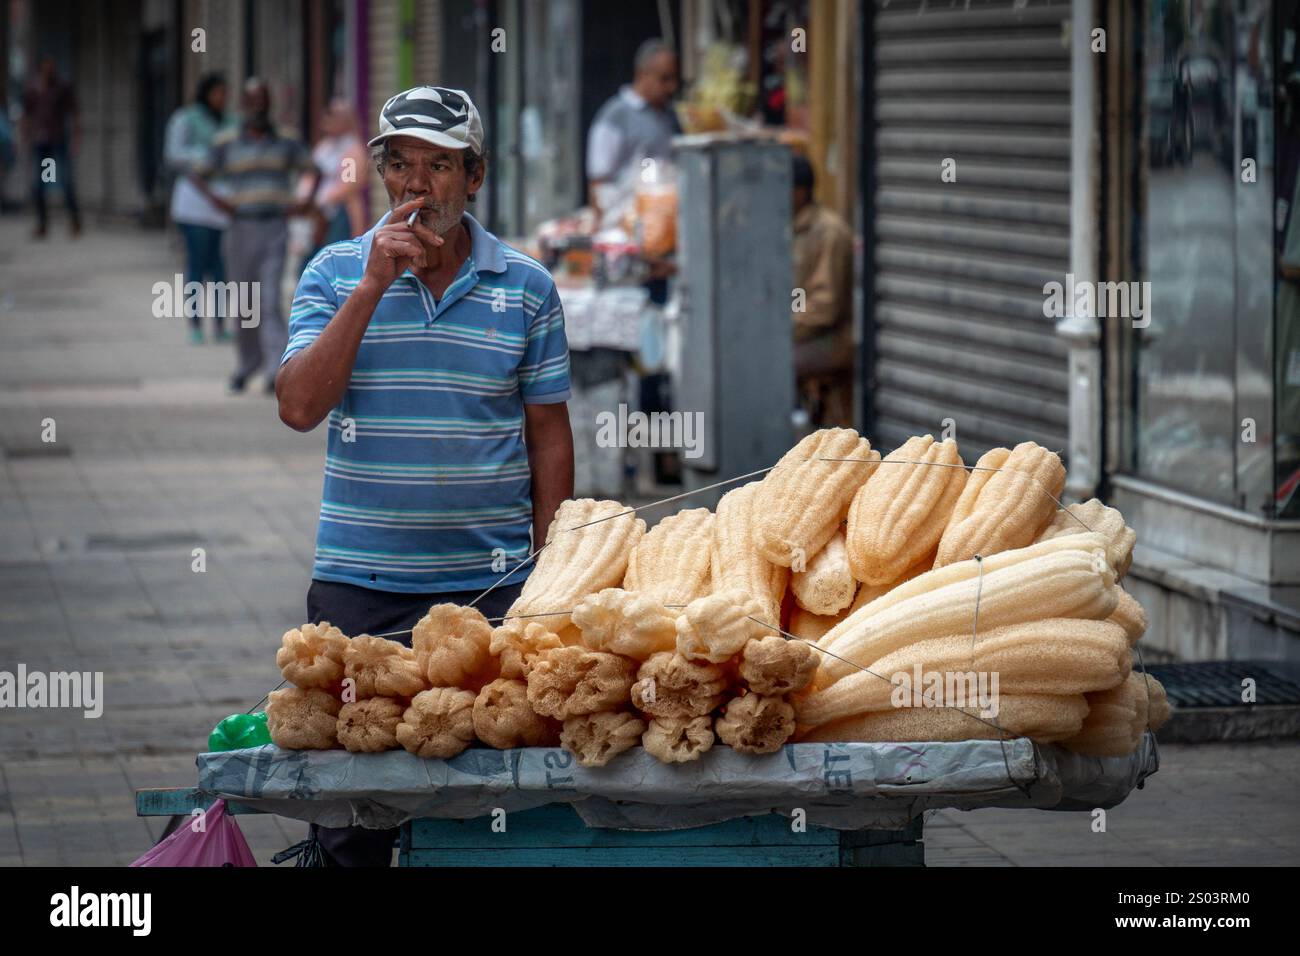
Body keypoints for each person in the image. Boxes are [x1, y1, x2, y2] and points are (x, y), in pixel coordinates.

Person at [275, 86, 574, 866]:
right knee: (353, 819)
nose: (415, 185)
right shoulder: (337, 273)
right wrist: (372, 286)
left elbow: (548, 436)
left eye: (437, 167)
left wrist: (555, 573)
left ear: (473, 177)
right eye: (399, 164)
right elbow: (299, 406)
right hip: (357, 592)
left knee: (487, 806)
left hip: (489, 592)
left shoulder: (527, 288)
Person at [189, 78, 319, 394]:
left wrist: (304, 201)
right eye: (252, 101)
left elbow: (313, 169)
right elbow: (196, 173)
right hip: (239, 229)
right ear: (243, 105)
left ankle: (276, 369)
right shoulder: (227, 142)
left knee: (270, 300)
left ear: (269, 104)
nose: (258, 106)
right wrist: (219, 202)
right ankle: (248, 365)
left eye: (263, 100)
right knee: (246, 304)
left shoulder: (286, 141)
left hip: (274, 227)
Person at [164, 73, 234, 344]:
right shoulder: (186, 118)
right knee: (197, 264)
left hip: (222, 200)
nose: (222, 98)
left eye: (224, 93)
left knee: (219, 268)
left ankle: (219, 324)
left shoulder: (230, 121)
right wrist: (204, 156)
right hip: (194, 200)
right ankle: (195, 324)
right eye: (217, 92)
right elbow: (173, 154)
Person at [791, 155, 854, 429]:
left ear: (800, 191)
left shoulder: (828, 231)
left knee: (769, 367)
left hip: (829, 340)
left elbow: (825, 306)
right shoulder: (786, 226)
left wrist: (780, 331)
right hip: (798, 335)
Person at [586, 38, 681, 209]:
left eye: (674, 79)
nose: (671, 87)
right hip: (628, 220)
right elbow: (598, 182)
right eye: (664, 79)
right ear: (643, 75)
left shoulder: (671, 116)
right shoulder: (615, 116)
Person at [298, 97, 368, 274]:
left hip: (339, 214)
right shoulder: (324, 147)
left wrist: (322, 199)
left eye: (334, 116)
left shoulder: (351, 149)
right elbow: (311, 174)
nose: (328, 119)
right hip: (316, 215)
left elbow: (348, 186)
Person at [21, 54, 81, 239]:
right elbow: (27, 115)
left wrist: (76, 138)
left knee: (64, 180)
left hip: (58, 141)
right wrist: (25, 137)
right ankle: (43, 224)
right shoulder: (33, 89)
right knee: (40, 185)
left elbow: (74, 112)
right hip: (41, 143)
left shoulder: (62, 87)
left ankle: (74, 221)